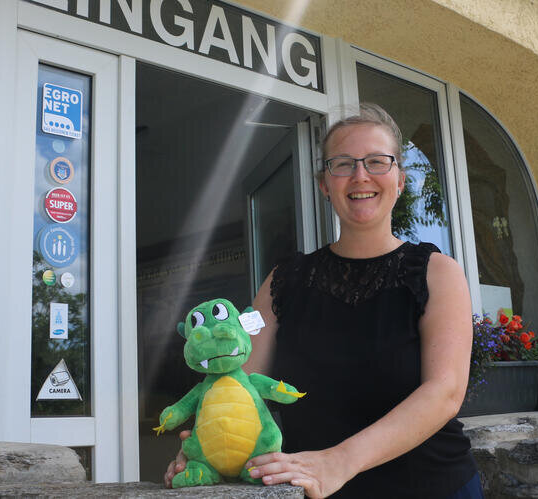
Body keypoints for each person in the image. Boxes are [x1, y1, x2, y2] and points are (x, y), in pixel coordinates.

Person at [165, 103, 482, 498]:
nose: (360, 175)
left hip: (433, 487)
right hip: (317, 491)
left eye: (377, 162)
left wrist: (338, 461)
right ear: (324, 184)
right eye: (344, 164)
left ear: (399, 179)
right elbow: (234, 386)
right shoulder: (283, 282)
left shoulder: (438, 273)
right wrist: (204, 453)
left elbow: (445, 393)